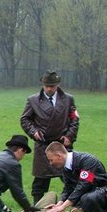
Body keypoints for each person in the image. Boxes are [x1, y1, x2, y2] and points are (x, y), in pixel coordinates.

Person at [20, 70, 79, 204]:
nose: (49, 89)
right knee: (40, 181)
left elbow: (74, 119)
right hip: (43, 145)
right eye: (46, 86)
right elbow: (25, 120)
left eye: (52, 86)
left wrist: (70, 136)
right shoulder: (33, 100)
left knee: (71, 177)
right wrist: (33, 132)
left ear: (58, 85)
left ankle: (77, 205)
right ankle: (37, 208)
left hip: (62, 145)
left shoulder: (68, 99)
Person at [44, 142, 107, 212]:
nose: (50, 163)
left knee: (87, 198)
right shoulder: (66, 167)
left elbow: (84, 184)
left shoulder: (88, 161)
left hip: (102, 192)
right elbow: (68, 187)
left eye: (51, 160)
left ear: (59, 156)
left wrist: (63, 206)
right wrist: (59, 203)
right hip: (86, 194)